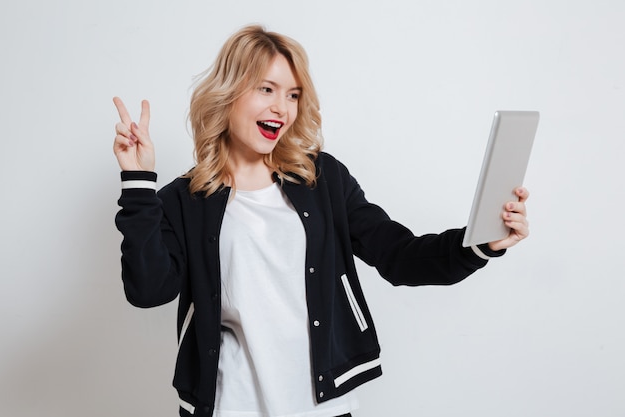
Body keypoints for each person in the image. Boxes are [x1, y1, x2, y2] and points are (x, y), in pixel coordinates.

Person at [112, 25, 529, 417]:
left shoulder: (322, 179)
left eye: (293, 95)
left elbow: (399, 256)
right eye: (267, 89)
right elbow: (148, 291)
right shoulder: (184, 200)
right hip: (228, 403)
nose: (282, 107)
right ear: (229, 94)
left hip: (322, 404)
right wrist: (137, 183)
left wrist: (481, 242)